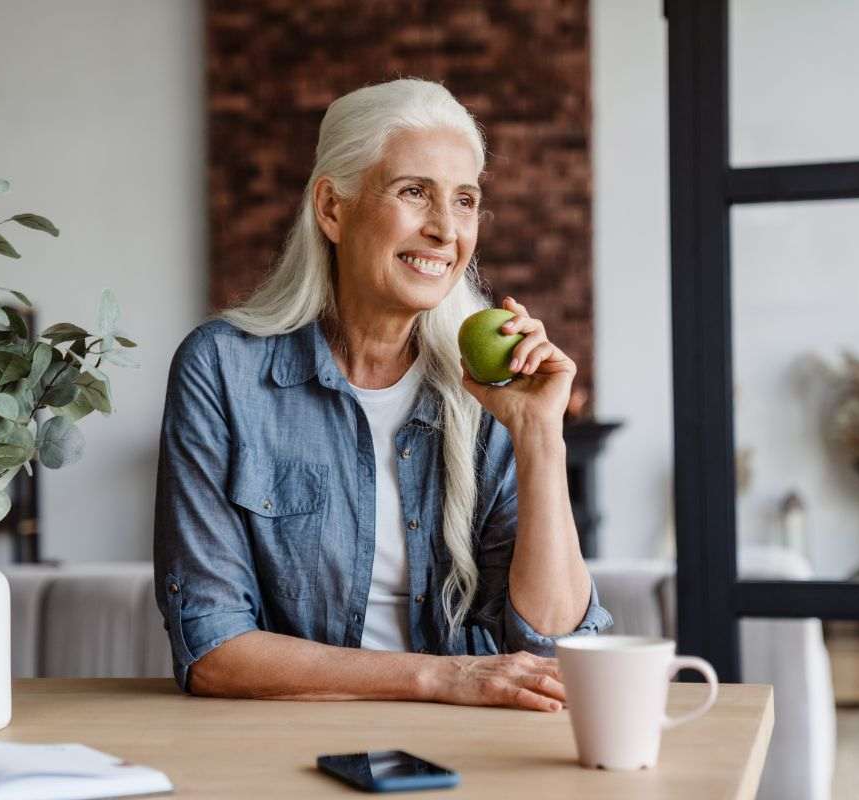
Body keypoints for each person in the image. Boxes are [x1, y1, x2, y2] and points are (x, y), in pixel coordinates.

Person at [153, 78, 611, 713]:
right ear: (332, 209)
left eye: (466, 200)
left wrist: (539, 434)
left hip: (473, 744)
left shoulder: (493, 386)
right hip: (289, 742)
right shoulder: (224, 370)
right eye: (413, 192)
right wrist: (443, 677)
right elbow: (211, 647)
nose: (445, 230)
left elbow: (557, 648)